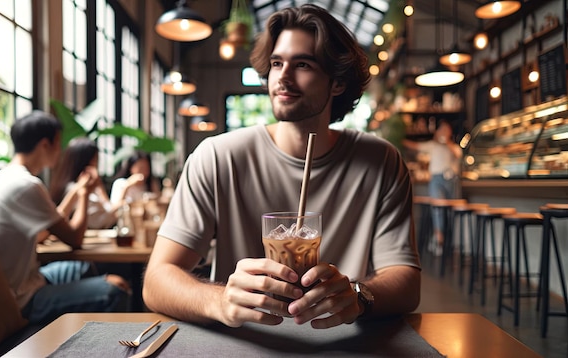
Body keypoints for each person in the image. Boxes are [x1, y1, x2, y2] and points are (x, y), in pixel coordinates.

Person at [142, 4, 421, 330]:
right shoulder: (217, 157)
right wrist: (221, 301)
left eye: (302, 64)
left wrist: (359, 296)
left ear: (337, 83)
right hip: (239, 344)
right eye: (276, 63)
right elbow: (157, 280)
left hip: (342, 344)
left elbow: (406, 282)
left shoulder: (382, 161)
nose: (283, 77)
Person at [0, 110, 130, 324]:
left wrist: (77, 190)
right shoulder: (26, 185)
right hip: (21, 299)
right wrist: (84, 193)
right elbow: (75, 239)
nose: (61, 150)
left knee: (85, 267)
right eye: (58, 143)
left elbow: (41, 233)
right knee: (115, 289)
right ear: (45, 145)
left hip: (26, 282)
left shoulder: (6, 177)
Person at [403, 120, 463, 255]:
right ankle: (439, 239)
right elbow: (415, 146)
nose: (443, 132)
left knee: (449, 213)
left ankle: (443, 242)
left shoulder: (453, 147)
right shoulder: (432, 146)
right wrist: (399, 138)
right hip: (436, 180)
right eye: (442, 130)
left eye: (446, 130)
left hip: (451, 181)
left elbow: (458, 155)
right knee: (438, 209)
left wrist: (446, 141)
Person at [50, 137, 118, 229]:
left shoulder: (91, 187)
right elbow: (97, 223)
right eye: (96, 159)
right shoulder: (75, 189)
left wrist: (99, 187)